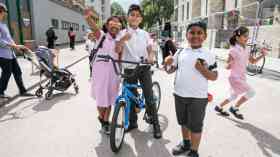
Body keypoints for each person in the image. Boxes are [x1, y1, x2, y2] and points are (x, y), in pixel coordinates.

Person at [164, 21, 218, 157]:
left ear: (205, 36)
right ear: (186, 35)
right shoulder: (181, 52)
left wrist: (202, 69)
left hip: (198, 97)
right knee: (183, 122)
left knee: (195, 126)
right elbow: (171, 70)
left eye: (199, 33)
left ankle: (194, 151)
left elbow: (214, 76)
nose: (195, 35)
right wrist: (167, 63)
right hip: (179, 94)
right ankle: (186, 143)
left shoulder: (209, 54)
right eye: (192, 32)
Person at [115, 4, 162, 139]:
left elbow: (150, 47)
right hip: (129, 68)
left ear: (140, 19)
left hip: (143, 67)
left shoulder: (144, 33)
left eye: (137, 16)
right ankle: (132, 123)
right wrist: (123, 40)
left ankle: (156, 125)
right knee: (130, 96)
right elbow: (117, 50)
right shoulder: (121, 33)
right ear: (127, 17)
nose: (135, 18)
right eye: (132, 15)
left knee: (148, 96)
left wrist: (151, 56)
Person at [214, 26, 267, 120]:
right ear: (238, 38)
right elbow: (227, 66)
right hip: (234, 78)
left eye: (247, 36)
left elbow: (253, 61)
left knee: (233, 96)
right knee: (251, 92)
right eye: (245, 36)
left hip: (241, 77)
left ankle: (219, 107)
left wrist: (262, 55)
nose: (247, 38)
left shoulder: (246, 49)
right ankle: (234, 108)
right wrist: (230, 64)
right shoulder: (233, 50)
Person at [85, 10, 122, 134]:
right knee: (101, 101)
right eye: (113, 23)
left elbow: (121, 58)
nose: (115, 25)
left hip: (114, 75)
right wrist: (88, 18)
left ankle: (105, 123)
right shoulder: (101, 36)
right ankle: (102, 119)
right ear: (107, 25)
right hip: (100, 75)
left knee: (110, 100)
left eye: (118, 24)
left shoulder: (119, 41)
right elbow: (93, 27)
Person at [0, 3, 34, 99]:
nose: (6, 14)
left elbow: (8, 38)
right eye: (5, 12)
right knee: (7, 73)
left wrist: (17, 47)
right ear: (1, 12)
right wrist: (14, 46)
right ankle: (0, 92)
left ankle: (22, 91)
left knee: (17, 71)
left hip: (10, 53)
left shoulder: (3, 24)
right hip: (3, 54)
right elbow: (0, 41)